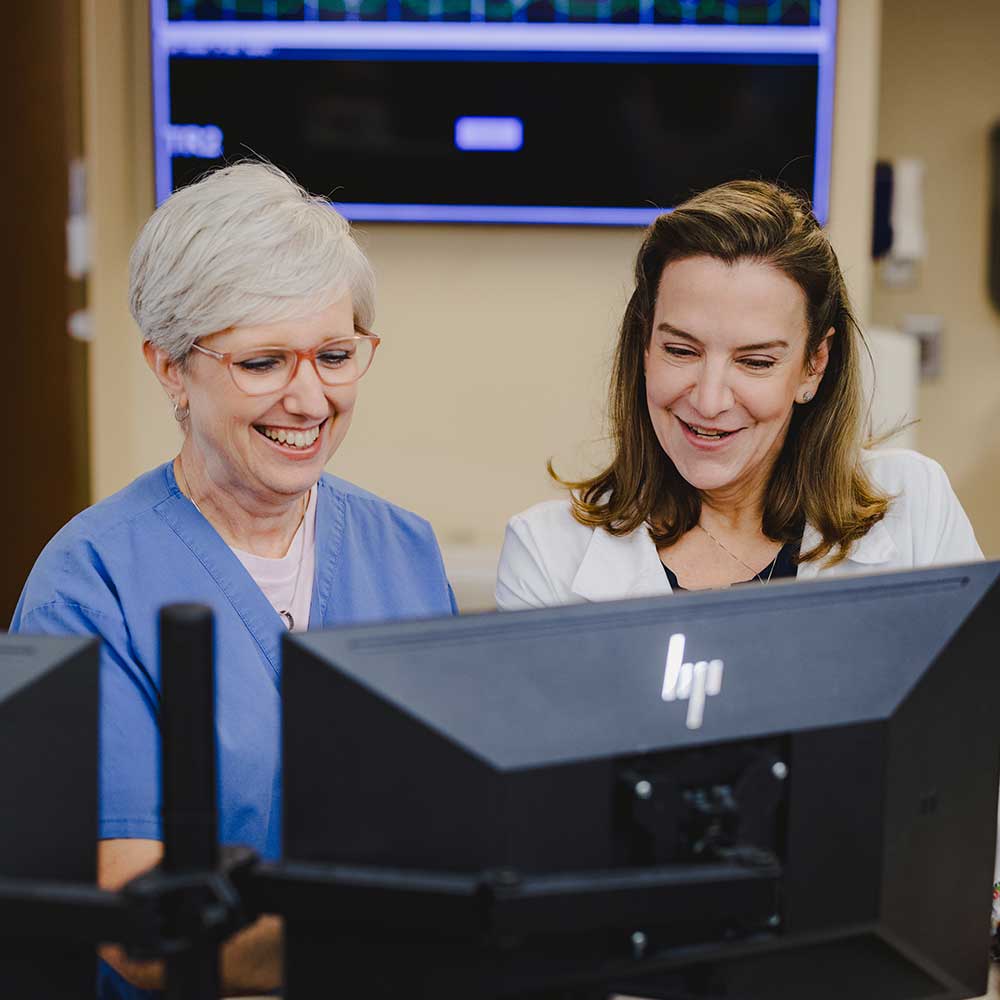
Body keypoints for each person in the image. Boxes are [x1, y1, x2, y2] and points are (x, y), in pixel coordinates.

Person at [11, 163, 456, 998]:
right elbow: (133, 925)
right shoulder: (89, 583)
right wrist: (410, 940)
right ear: (171, 367)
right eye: (262, 363)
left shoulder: (402, 550)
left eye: (334, 354)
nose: (309, 398)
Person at [496, 179, 982, 608]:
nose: (709, 402)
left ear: (814, 366)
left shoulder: (914, 505)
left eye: (755, 362)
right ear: (644, 346)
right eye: (681, 351)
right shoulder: (546, 551)